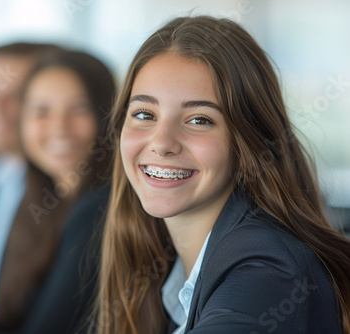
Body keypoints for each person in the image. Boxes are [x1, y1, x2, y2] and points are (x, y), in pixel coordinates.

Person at [92, 16, 350, 334]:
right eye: (145, 114)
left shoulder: (269, 269)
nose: (161, 143)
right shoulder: (171, 272)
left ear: (248, 139)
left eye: (199, 120)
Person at [13, 50, 115, 334]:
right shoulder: (41, 204)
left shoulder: (98, 210)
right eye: (41, 111)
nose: (59, 127)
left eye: (79, 108)